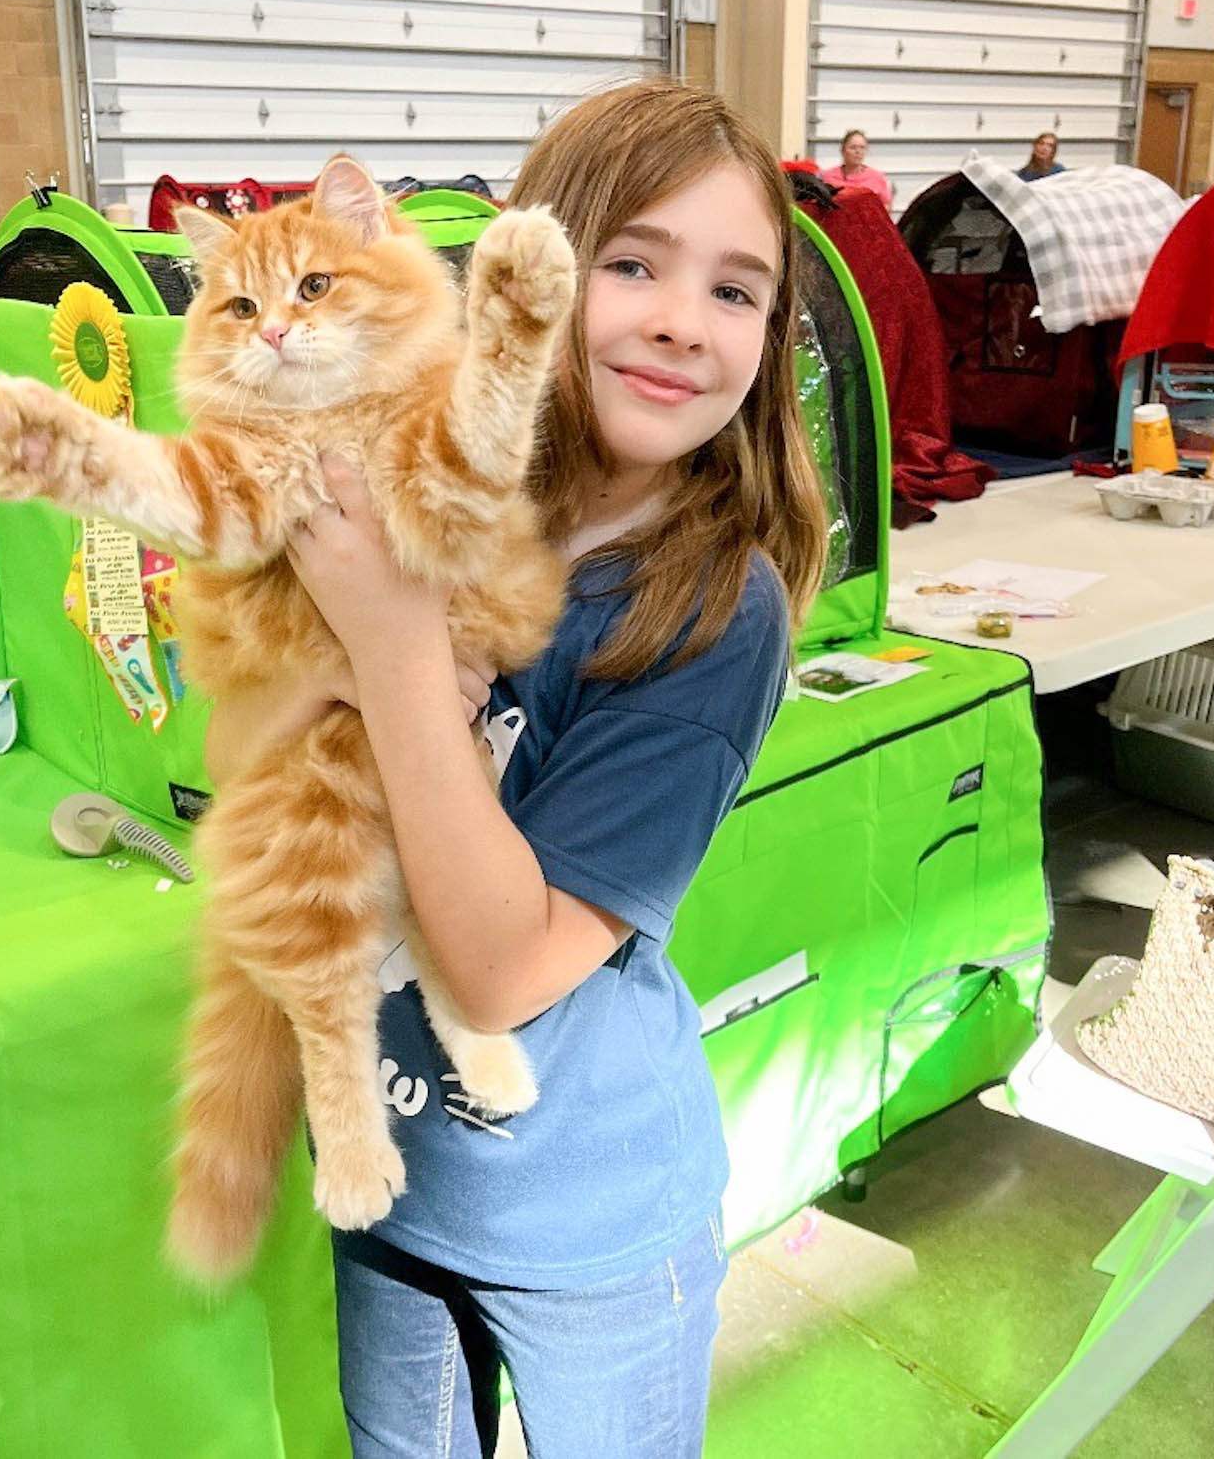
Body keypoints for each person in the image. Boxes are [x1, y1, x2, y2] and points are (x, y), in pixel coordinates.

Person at [207, 78, 829, 1458]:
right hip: (393, 1179)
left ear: (769, 339)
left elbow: (500, 967)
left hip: (587, 1219)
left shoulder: (715, 611)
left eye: (736, 291)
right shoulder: (444, 506)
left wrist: (390, 646)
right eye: (632, 264)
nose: (681, 318)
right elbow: (239, 759)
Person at [820, 129, 893, 210]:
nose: (858, 151)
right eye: (853, 147)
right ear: (843, 151)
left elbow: (886, 206)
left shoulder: (877, 177)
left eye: (862, 147)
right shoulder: (828, 177)